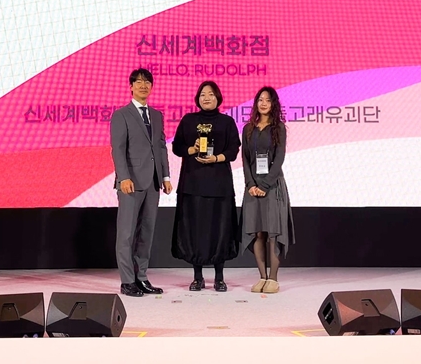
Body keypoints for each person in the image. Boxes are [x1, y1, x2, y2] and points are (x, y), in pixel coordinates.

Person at [171, 81, 241, 292]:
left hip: (219, 186)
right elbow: (176, 147)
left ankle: (219, 277)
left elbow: (233, 150)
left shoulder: (227, 122)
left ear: (218, 97)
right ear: (197, 98)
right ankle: (197, 277)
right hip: (192, 184)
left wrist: (216, 158)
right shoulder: (188, 120)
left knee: (220, 231)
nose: (206, 98)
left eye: (210, 94)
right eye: (202, 94)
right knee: (196, 231)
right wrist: (192, 150)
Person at [110, 68, 173, 297]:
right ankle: (127, 281)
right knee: (126, 234)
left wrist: (165, 176)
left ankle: (142, 277)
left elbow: (161, 147)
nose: (143, 86)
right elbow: (118, 149)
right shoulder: (121, 115)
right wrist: (124, 176)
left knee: (146, 232)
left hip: (153, 182)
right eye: (139, 82)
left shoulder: (156, 115)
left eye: (147, 82)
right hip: (130, 181)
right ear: (131, 87)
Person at [241, 86, 295, 294]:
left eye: (268, 100)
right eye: (260, 100)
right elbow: (245, 159)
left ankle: (273, 279)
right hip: (253, 188)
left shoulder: (278, 128)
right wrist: (251, 185)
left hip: (272, 187)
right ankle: (262, 277)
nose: (263, 103)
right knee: (258, 233)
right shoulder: (248, 129)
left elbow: (279, 158)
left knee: (273, 233)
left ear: (274, 104)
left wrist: (264, 185)